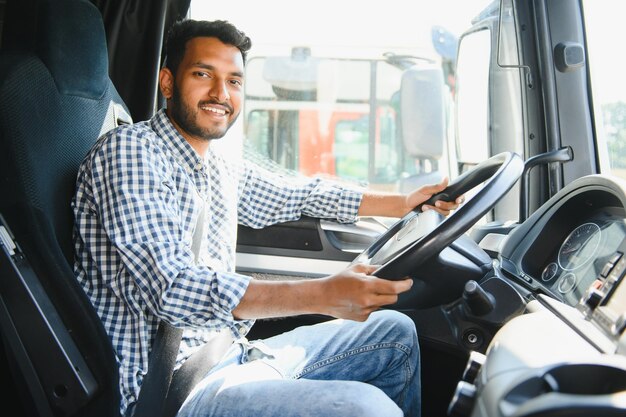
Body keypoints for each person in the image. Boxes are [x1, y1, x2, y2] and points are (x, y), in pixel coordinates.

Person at [72, 19, 462, 417]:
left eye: (235, 81)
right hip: (168, 389)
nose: (220, 94)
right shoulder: (131, 153)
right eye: (203, 74)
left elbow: (296, 194)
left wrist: (403, 203)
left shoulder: (214, 166)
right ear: (168, 83)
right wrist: (323, 294)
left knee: (395, 334)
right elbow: (173, 287)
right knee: (365, 408)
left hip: (227, 352)